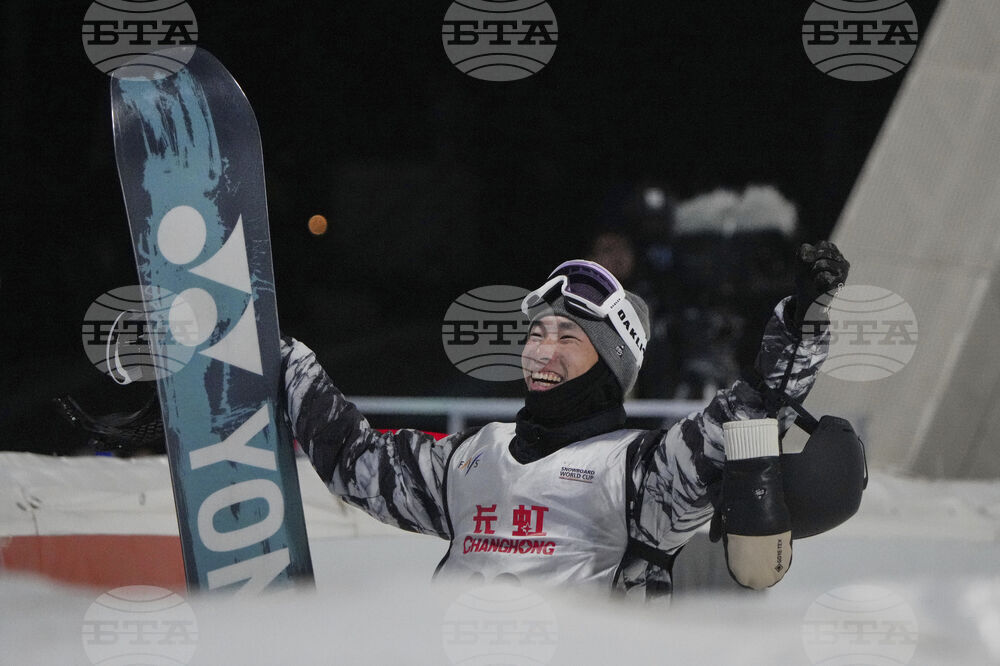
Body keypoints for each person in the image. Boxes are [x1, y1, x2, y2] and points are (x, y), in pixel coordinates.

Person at [280, 242, 850, 601]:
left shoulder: (643, 473)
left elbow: (749, 412)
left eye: (567, 338)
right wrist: (287, 362)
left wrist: (802, 325)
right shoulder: (473, 456)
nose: (541, 351)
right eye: (536, 333)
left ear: (609, 364)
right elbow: (354, 460)